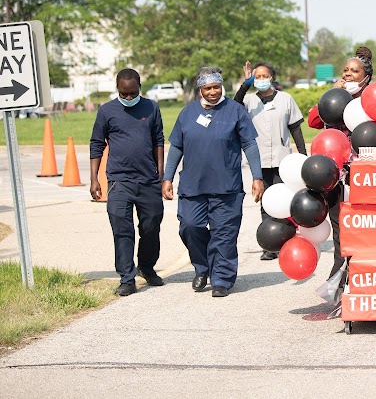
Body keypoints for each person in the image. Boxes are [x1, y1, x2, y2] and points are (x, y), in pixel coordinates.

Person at [162, 67, 265, 297]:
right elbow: (176, 146)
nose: (213, 92)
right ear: (200, 89)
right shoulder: (187, 113)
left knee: (224, 234)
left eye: (216, 87)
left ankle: (222, 279)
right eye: (208, 88)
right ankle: (202, 267)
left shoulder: (235, 111)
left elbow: (249, 144)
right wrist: (167, 177)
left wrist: (257, 177)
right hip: (193, 186)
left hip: (226, 186)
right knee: (190, 227)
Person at [89, 68, 165, 297]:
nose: (129, 98)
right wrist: (94, 179)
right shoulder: (106, 111)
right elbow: (96, 144)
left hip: (148, 179)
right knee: (122, 230)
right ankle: (127, 278)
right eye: (124, 94)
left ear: (139, 88)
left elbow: (158, 139)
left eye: (133, 93)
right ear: (117, 89)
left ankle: (147, 267)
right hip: (118, 181)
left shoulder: (151, 107)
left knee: (151, 227)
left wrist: (160, 174)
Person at [308, 46, 373, 286]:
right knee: (340, 229)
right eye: (345, 70)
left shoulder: (369, 100)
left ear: (365, 77)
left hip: (364, 176)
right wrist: (330, 95)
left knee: (363, 229)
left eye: (354, 71)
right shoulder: (335, 97)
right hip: (334, 176)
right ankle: (339, 279)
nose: (347, 74)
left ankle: (363, 276)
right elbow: (313, 121)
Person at [234, 60, 307, 260]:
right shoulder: (249, 101)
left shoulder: (285, 99)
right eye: (257, 77)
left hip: (282, 158)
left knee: (284, 200)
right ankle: (270, 244)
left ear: (272, 77)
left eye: (264, 76)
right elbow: (233, 104)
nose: (261, 79)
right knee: (265, 201)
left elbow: (295, 129)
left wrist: (303, 156)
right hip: (260, 159)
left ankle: (287, 239)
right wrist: (246, 83)